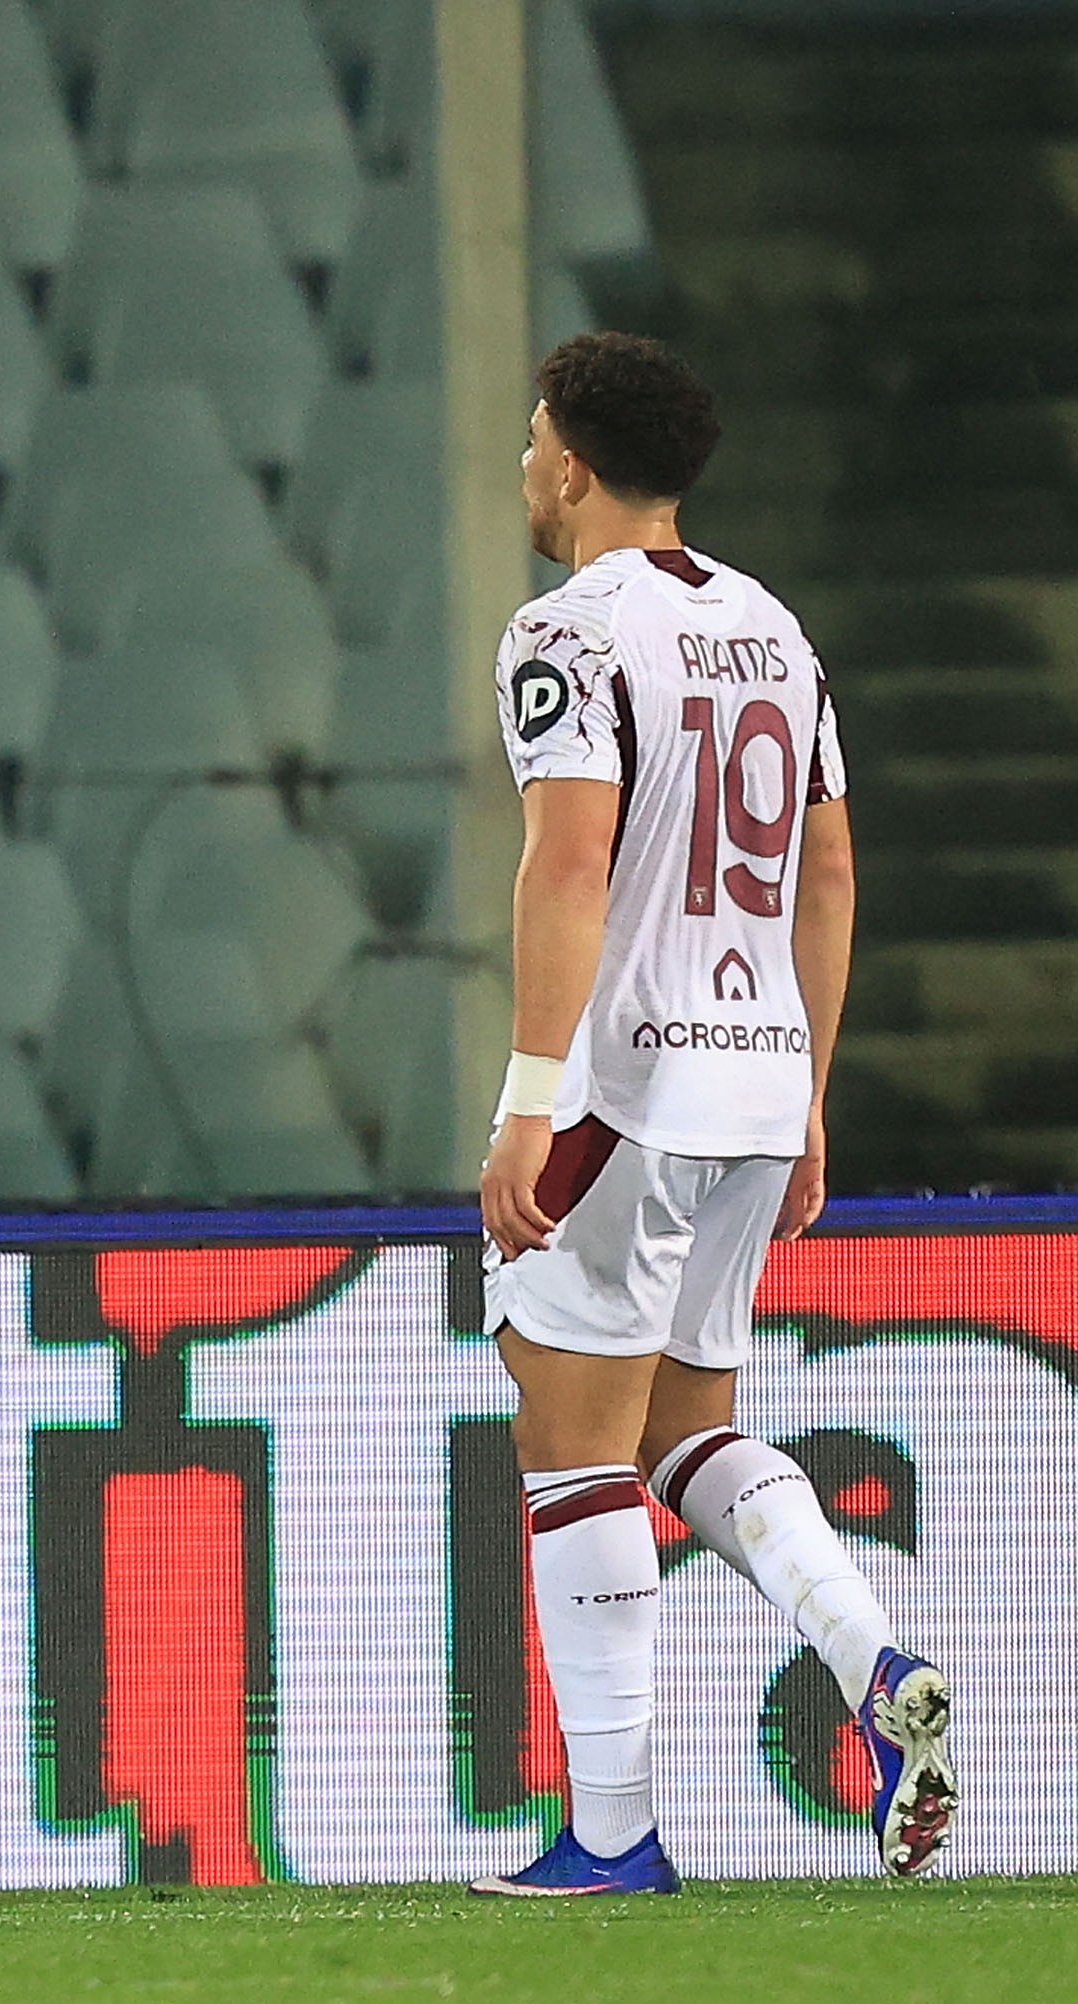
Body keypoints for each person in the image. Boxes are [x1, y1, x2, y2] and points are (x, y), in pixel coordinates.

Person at [473, 332, 954, 1896]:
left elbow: (568, 866)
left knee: (571, 1450)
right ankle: (879, 1672)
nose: (526, 463)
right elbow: (828, 869)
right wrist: (808, 1091)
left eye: (535, 436)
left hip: (628, 1088)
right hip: (753, 1084)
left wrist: (530, 1108)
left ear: (579, 462)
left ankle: (612, 1834)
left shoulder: (568, 630)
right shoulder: (775, 630)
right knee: (688, 1429)